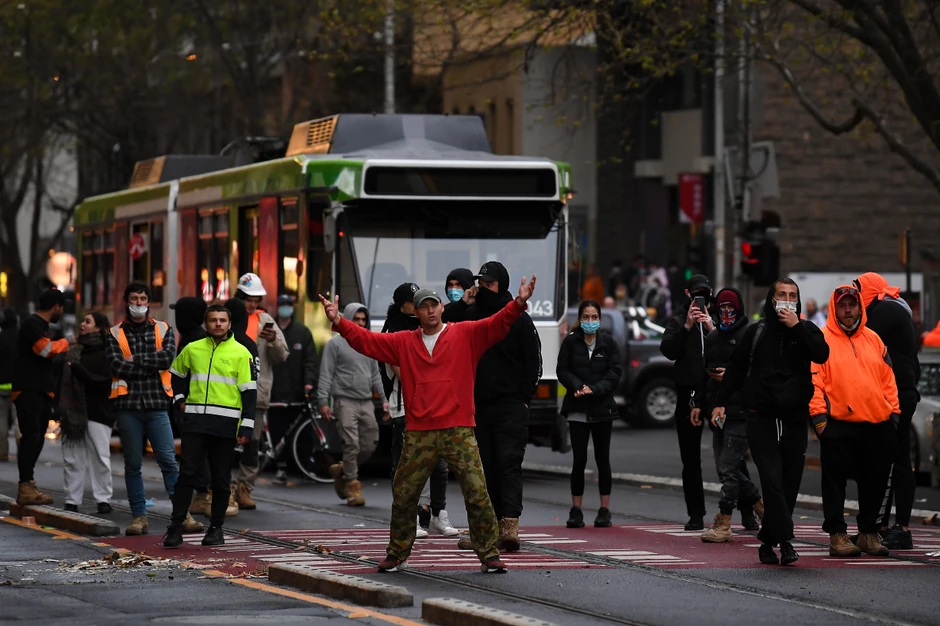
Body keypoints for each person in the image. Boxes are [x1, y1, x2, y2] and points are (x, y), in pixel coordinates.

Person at [318, 275, 538, 573]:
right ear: (416, 312)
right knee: (404, 494)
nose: (431, 310)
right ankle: (397, 553)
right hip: (419, 432)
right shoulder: (403, 342)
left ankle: (489, 553)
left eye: (435, 304)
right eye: (424, 306)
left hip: (458, 428)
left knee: (477, 492)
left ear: (442, 308)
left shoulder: (465, 334)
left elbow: (498, 324)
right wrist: (339, 322)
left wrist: (520, 302)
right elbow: (367, 341)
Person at [712, 278, 829, 565]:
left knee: (790, 480)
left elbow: (822, 353)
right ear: (772, 299)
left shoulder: (806, 330)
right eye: (782, 295)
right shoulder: (756, 332)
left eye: (792, 295)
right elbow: (736, 370)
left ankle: (768, 539)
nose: (787, 300)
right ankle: (786, 541)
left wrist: (797, 327)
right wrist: (719, 402)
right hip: (761, 416)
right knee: (771, 477)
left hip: (794, 417)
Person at [444, 261, 541, 551]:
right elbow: (442, 328)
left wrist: (524, 399)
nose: (484, 288)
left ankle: (509, 524)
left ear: (502, 285)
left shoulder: (518, 318)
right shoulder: (471, 314)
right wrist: (463, 303)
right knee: (480, 469)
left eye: (490, 284)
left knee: (508, 464)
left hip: (511, 405)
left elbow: (533, 361)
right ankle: (486, 529)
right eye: (481, 283)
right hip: (477, 406)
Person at [810, 285, 898, 558]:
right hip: (838, 425)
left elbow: (888, 379)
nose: (847, 311)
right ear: (834, 308)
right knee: (834, 484)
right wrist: (820, 420)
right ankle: (837, 535)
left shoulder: (874, 339)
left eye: (852, 305)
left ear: (860, 307)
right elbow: (814, 382)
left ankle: (868, 533)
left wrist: (893, 414)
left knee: (874, 482)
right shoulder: (822, 339)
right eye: (842, 306)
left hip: (877, 424)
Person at [164, 304, 257, 548]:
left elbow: (249, 393)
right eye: (213, 320)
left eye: (222, 320)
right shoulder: (192, 348)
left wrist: (246, 427)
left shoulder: (241, 352)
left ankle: (216, 529)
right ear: (206, 323)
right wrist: (179, 399)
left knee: (221, 479)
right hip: (195, 422)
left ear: (229, 324)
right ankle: (175, 526)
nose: (218, 324)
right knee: (187, 475)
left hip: (225, 426)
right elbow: (176, 374)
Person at [106, 282, 180, 535]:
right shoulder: (114, 333)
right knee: (133, 464)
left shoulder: (164, 328)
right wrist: (150, 364)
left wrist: (135, 360)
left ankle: (182, 514)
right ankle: (139, 517)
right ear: (126, 302)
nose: (139, 303)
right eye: (134, 299)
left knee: (168, 461)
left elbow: (167, 359)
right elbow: (117, 366)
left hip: (157, 404)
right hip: (128, 406)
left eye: (143, 298)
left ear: (148, 302)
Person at [383, 283, 455, 538]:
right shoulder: (393, 330)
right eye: (415, 303)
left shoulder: (424, 328)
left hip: (434, 406)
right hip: (405, 406)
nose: (423, 308)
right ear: (404, 305)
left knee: (439, 463)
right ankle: (408, 517)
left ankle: (438, 514)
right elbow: (401, 371)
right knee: (406, 465)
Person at [691, 289, 763, 542]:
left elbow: (755, 376)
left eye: (730, 308)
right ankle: (759, 504)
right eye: (721, 308)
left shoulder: (747, 336)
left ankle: (724, 520)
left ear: (738, 309)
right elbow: (703, 375)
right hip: (718, 412)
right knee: (725, 468)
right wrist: (698, 404)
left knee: (728, 468)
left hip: (740, 412)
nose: (726, 313)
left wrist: (731, 379)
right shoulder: (713, 338)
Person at [855, 273, 920, 550]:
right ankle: (881, 525)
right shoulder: (893, 308)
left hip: (897, 393)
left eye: (859, 291)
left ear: (870, 290)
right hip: (898, 390)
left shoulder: (885, 310)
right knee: (887, 459)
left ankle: (900, 528)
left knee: (896, 460)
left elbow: (859, 339)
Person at [557, 299, 623, 529]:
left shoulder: (608, 343)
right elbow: (562, 370)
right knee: (579, 460)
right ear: (580, 318)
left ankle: (604, 510)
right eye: (586, 317)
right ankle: (576, 510)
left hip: (602, 408)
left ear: (600, 319)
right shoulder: (570, 342)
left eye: (594, 317)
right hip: (577, 408)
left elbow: (615, 373)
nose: (590, 321)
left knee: (603, 459)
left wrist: (595, 389)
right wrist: (578, 386)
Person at [659, 274, 715, 530]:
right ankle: (696, 513)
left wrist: (712, 328)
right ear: (688, 295)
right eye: (696, 295)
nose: (701, 300)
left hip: (716, 393)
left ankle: (747, 507)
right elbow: (668, 350)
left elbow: (733, 349)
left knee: (730, 454)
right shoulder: (678, 321)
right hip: (689, 394)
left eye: (705, 295)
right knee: (690, 459)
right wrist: (688, 325)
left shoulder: (718, 320)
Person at [318, 302, 387, 507]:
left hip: (366, 401)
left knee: (370, 442)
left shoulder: (368, 342)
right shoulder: (335, 344)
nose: (360, 323)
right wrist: (323, 400)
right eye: (356, 319)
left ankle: (343, 469)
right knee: (351, 444)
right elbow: (326, 372)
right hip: (344, 400)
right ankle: (351, 485)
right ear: (347, 318)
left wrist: (385, 400)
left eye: (364, 320)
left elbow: (375, 374)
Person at [231, 273, 288, 510]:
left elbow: (282, 355)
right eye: (248, 299)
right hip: (226, 391)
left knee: (252, 443)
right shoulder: (226, 317)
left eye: (256, 300)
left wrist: (273, 340)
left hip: (256, 392)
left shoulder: (265, 321)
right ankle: (221, 488)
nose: (252, 304)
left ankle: (244, 487)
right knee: (225, 442)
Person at [12, 289, 69, 505]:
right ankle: (25, 486)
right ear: (56, 307)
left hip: (40, 390)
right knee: (31, 436)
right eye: (62, 308)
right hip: (29, 390)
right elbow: (45, 350)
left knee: (37, 438)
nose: (62, 312)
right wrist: (68, 342)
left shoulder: (41, 326)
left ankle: (29, 483)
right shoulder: (32, 324)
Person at [59, 312, 114, 514]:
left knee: (100, 457)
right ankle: (71, 500)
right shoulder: (73, 350)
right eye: (83, 321)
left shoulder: (107, 352)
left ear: (99, 328)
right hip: (73, 414)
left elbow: (103, 381)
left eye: (88, 321)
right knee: (72, 458)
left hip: (99, 411)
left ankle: (103, 499)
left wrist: (79, 370)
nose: (82, 324)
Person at [170, 297, 217, 523]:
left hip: (195, 405)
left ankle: (203, 492)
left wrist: (183, 401)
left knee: (197, 450)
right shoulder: (190, 336)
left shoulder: (195, 339)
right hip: (189, 403)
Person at [270, 294, 319, 484]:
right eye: (282, 304)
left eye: (288, 304)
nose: (285, 307)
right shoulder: (269, 331)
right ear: (277, 307)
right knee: (278, 430)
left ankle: (305, 466)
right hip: (275, 393)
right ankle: (281, 466)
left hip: (298, 393)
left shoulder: (302, 333)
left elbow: (310, 361)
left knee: (303, 432)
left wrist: (309, 383)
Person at [0, 307, 18, 462]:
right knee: (19, 419)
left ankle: (2, 451)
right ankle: (23, 448)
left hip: (2, 386)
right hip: (18, 385)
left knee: (1, 419)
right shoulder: (21, 337)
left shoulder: (1, 337)